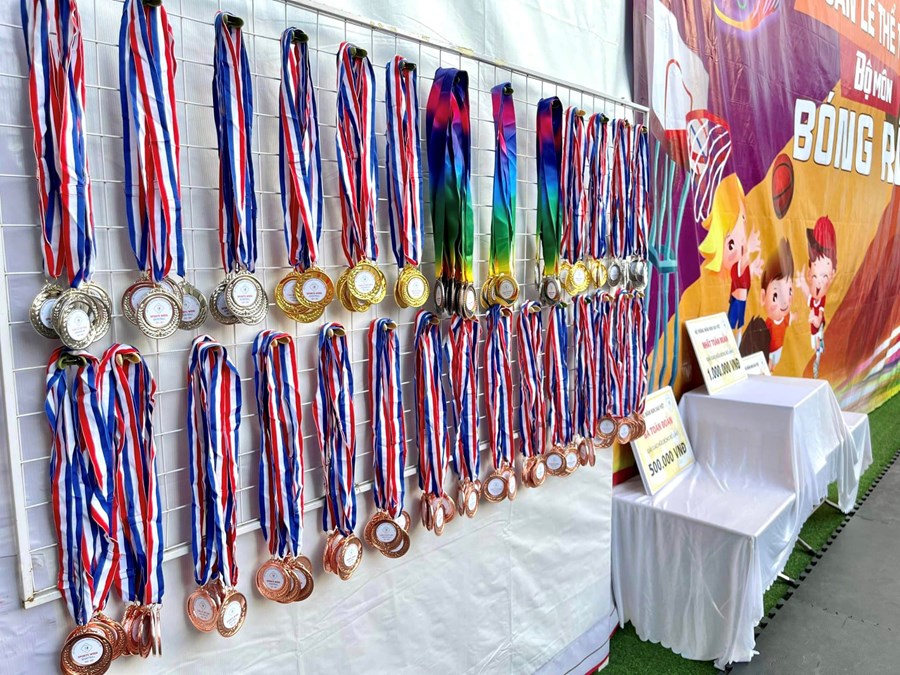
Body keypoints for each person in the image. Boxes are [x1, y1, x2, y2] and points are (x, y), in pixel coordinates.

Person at [698, 174, 763, 338]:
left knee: (738, 325)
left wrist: (755, 265)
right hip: (737, 299)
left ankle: (735, 342)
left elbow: (747, 268)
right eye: (731, 244)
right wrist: (751, 248)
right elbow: (743, 263)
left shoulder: (742, 265)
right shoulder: (737, 266)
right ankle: (730, 341)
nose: (741, 242)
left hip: (741, 299)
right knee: (732, 325)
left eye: (743, 220)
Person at [797, 216, 837, 378]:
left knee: (818, 346)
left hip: (817, 330)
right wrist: (802, 284)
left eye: (824, 276)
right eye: (815, 276)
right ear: (809, 273)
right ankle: (816, 364)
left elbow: (820, 317)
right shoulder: (814, 298)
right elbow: (808, 296)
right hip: (814, 331)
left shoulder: (822, 300)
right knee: (815, 345)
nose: (819, 281)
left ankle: (817, 366)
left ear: (832, 274)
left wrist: (815, 320)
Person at [760, 238, 796, 372]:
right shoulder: (769, 323)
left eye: (789, 291)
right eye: (776, 295)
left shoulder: (785, 318)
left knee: (774, 365)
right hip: (770, 350)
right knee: (769, 365)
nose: (784, 302)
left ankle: (771, 369)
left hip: (779, 349)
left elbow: (791, 318)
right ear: (763, 297)